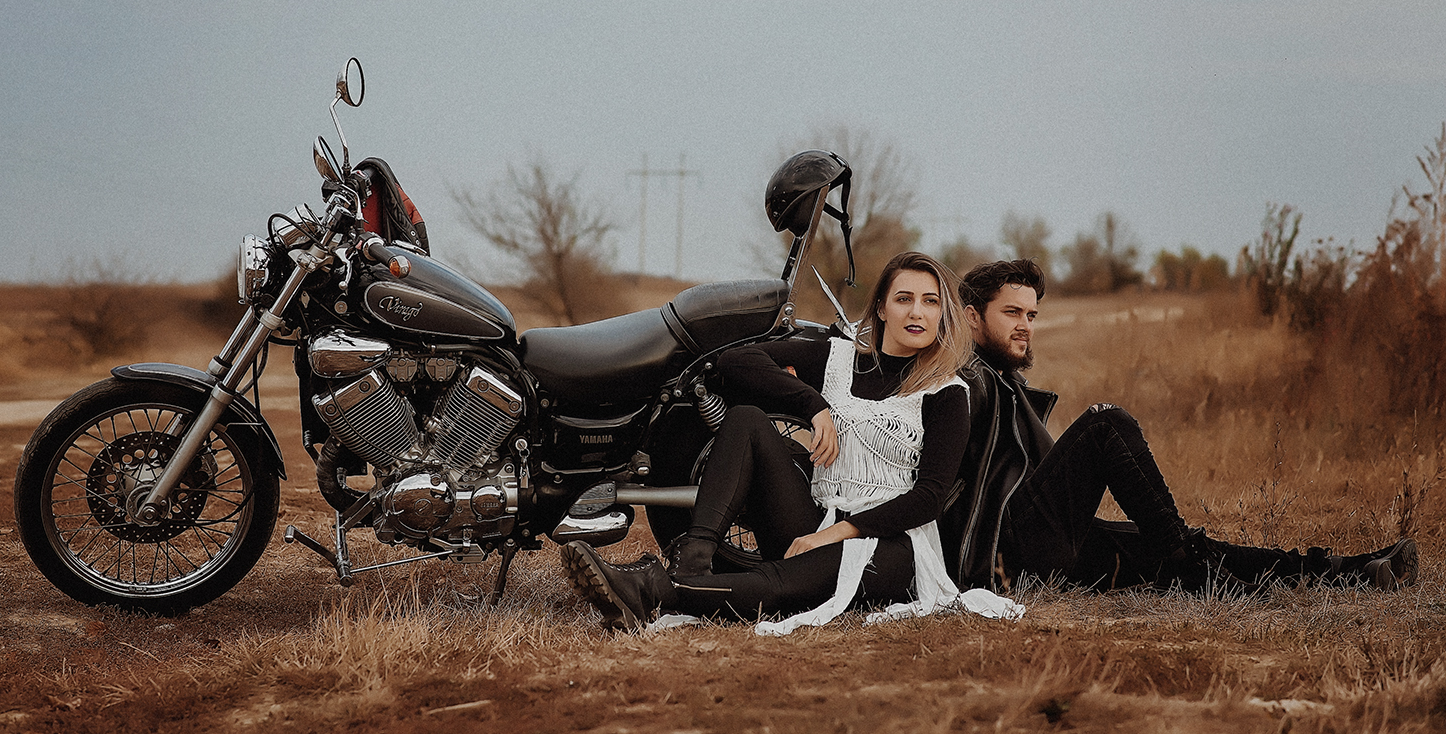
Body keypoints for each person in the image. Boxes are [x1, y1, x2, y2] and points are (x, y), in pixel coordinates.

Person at [561, 252, 1023, 632]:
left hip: (890, 543)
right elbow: (737, 361)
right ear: (882, 308)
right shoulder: (838, 358)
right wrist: (812, 405)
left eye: (930, 302)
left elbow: (928, 498)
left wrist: (836, 533)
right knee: (746, 419)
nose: (917, 312)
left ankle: (651, 590)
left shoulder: (946, 391)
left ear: (942, 314)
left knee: (781, 584)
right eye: (904, 299)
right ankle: (694, 560)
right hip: (815, 515)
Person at [941, 258, 1419, 594]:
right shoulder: (963, 381)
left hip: (1049, 547)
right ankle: (1187, 564)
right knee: (1106, 423)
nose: (1025, 325)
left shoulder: (1005, 382)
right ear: (972, 318)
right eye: (1011, 313)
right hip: (1008, 555)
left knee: (1184, 546)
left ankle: (1352, 571)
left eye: (1031, 315)